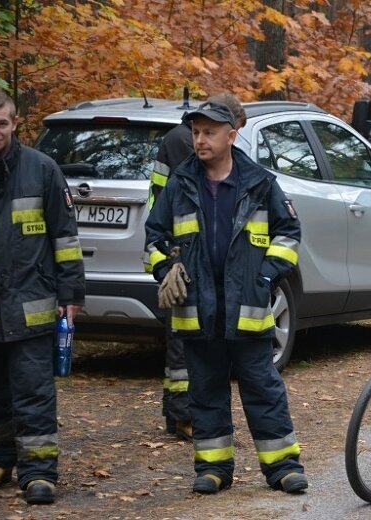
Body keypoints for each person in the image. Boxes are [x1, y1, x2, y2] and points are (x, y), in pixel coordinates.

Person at [144, 101, 307, 494]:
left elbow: (289, 233)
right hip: (198, 311)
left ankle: (283, 467)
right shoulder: (181, 183)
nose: (200, 140)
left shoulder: (259, 182)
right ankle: (213, 469)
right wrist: (165, 268)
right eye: (196, 132)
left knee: (263, 391)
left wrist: (266, 275)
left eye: (209, 132)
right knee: (205, 392)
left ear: (231, 135)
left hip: (246, 311)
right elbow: (154, 236)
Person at [0, 88, 85, 504]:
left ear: (15, 123)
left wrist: (72, 294)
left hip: (34, 304)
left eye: (2, 124)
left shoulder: (42, 170)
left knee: (34, 391)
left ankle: (40, 473)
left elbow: (65, 238)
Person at [147, 93, 247, 442]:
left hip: (173, 248)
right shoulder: (187, 145)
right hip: (189, 255)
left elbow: (155, 196)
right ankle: (186, 415)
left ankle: (176, 414)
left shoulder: (172, 138)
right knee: (186, 342)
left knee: (178, 337)